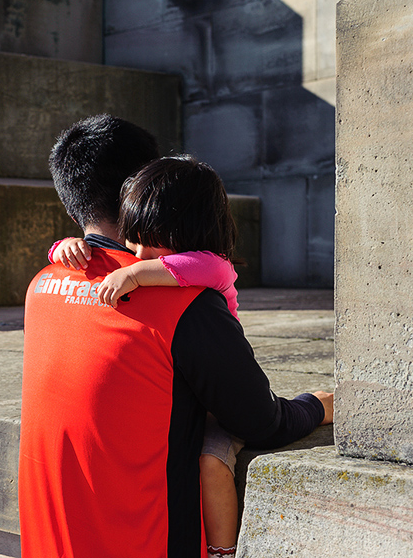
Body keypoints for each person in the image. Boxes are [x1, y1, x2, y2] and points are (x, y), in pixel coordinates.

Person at [19, 120, 333, 558]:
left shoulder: (41, 287)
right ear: (151, 187)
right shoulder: (182, 302)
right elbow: (260, 422)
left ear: (72, 208)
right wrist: (317, 404)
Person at [48, 161, 243, 555]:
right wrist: (61, 247)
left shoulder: (214, 268)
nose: (136, 256)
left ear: (187, 233)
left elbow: (202, 264)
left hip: (219, 392)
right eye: (132, 242)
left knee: (212, 460)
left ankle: (223, 552)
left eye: (149, 243)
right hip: (190, 390)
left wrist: (135, 276)